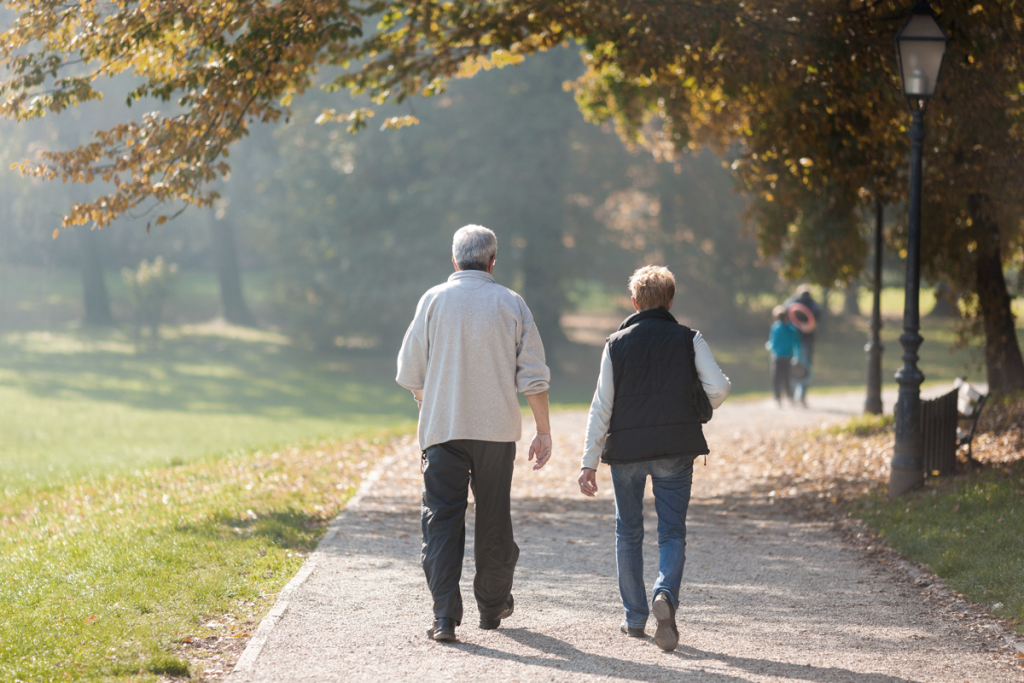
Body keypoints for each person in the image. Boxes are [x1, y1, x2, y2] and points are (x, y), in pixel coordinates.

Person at [396, 224, 553, 643]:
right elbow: (534, 377)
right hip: (496, 432)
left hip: (442, 433)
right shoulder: (511, 303)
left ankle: (445, 616)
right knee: (494, 518)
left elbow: (411, 373)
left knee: (442, 521)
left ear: (454, 260)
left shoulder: (432, 300)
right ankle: (492, 606)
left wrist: (429, 405)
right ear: (492, 261)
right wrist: (543, 431)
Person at [577, 265, 730, 652]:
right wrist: (694, 405)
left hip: (626, 453)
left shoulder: (615, 344)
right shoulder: (688, 338)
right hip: (676, 449)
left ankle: (634, 618)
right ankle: (665, 593)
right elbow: (719, 388)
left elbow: (601, 407)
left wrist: (589, 462)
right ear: (670, 300)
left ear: (634, 302)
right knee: (672, 532)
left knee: (627, 532)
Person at [784, 285, 822, 406]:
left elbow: (785, 311)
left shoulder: (792, 302)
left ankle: (791, 396)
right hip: (807, 340)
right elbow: (818, 315)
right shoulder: (812, 304)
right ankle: (802, 396)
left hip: (792, 340)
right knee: (806, 368)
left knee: (791, 367)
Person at [767, 305, 801, 407]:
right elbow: (796, 344)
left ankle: (778, 399)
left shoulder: (775, 327)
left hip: (777, 357)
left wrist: (769, 347)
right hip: (788, 356)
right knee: (787, 378)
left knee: (776, 379)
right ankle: (790, 398)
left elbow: (773, 343)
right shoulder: (792, 329)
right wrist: (797, 356)